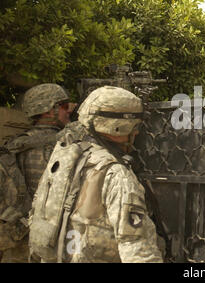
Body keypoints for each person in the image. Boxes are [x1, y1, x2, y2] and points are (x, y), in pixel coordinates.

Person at [30, 86, 163, 263]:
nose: (137, 131)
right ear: (119, 126)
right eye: (135, 125)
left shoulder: (66, 159)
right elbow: (136, 248)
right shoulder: (115, 174)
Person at [0, 83, 73, 262]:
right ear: (49, 110)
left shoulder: (13, 146)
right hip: (56, 243)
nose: (68, 111)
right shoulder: (68, 146)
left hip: (19, 241)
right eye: (64, 106)